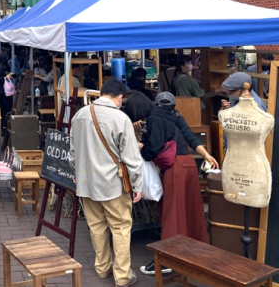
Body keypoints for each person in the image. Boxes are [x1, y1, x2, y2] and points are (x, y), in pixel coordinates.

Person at [126, 92, 217, 275]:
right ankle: (195, 249)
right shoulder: (175, 114)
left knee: (171, 212)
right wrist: (206, 154)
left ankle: (167, 259)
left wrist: (140, 145)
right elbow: (189, 136)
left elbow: (153, 148)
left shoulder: (154, 118)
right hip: (189, 163)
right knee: (191, 209)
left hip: (175, 167)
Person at [69, 80, 143, 287]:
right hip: (112, 184)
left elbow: (72, 151)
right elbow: (131, 158)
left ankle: (102, 269)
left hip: (86, 182)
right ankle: (122, 276)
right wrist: (137, 185)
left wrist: (76, 173)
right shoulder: (121, 118)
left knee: (97, 227)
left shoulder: (80, 115)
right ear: (119, 97)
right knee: (120, 228)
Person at [0, 53, 12, 133]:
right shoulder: (0, 67)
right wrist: (6, 77)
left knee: (4, 108)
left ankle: (3, 127)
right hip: (1, 90)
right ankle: (4, 127)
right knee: (6, 108)